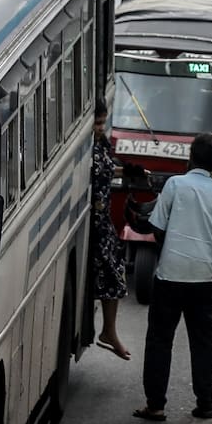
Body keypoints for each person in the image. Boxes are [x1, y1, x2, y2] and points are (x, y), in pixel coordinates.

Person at [135, 133, 212, 421]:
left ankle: (156, 405)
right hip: (205, 276)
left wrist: (171, 249)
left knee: (160, 339)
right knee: (203, 340)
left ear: (190, 158)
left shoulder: (175, 185)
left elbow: (157, 226)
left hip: (171, 274)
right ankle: (205, 403)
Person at [88, 104, 131, 360]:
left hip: (103, 221)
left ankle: (109, 331)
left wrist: (129, 172)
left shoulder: (101, 143)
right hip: (91, 223)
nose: (100, 128)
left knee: (115, 275)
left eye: (103, 123)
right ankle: (109, 332)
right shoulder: (83, 148)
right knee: (111, 276)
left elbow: (105, 169)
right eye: (97, 123)